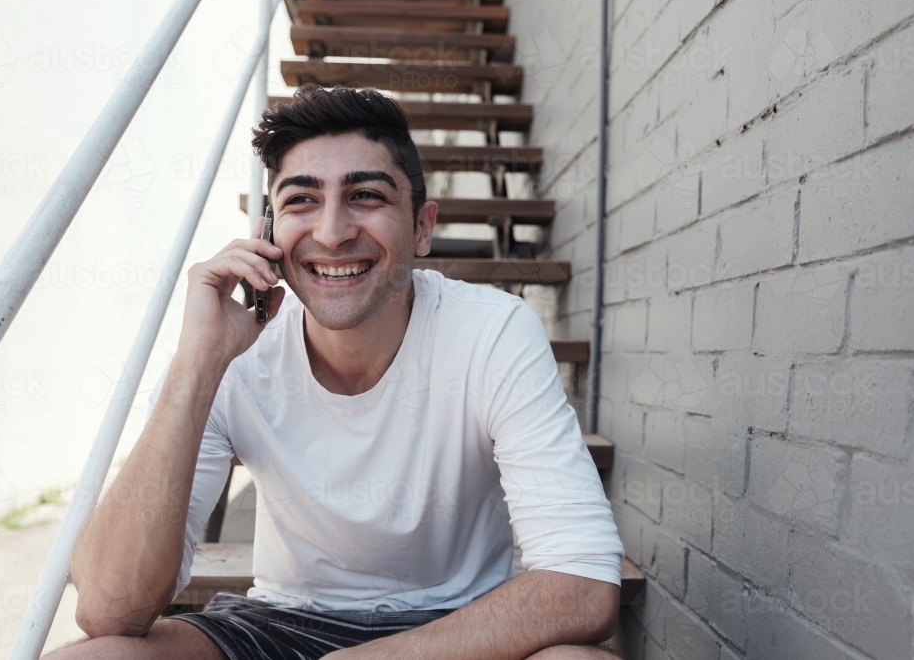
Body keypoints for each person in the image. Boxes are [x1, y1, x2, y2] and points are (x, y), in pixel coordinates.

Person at [46, 85, 624, 660]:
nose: (331, 231)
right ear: (269, 230)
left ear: (422, 227)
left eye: (365, 195)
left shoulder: (492, 332)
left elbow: (584, 584)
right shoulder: (232, 350)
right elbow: (108, 608)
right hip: (279, 625)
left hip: (456, 627)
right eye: (301, 200)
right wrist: (196, 363)